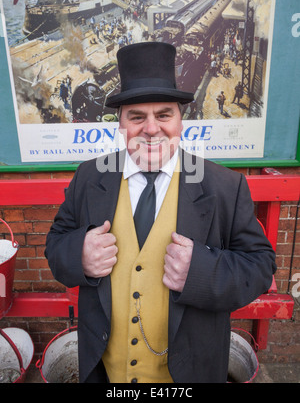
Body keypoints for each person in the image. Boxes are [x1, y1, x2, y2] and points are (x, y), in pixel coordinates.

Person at [45, 42, 276, 384]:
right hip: (106, 374)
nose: (151, 129)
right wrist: (78, 254)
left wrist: (201, 273)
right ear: (120, 124)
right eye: (136, 116)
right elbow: (55, 245)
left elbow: (260, 265)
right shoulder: (89, 178)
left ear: (181, 119)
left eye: (163, 115)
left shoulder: (224, 186)